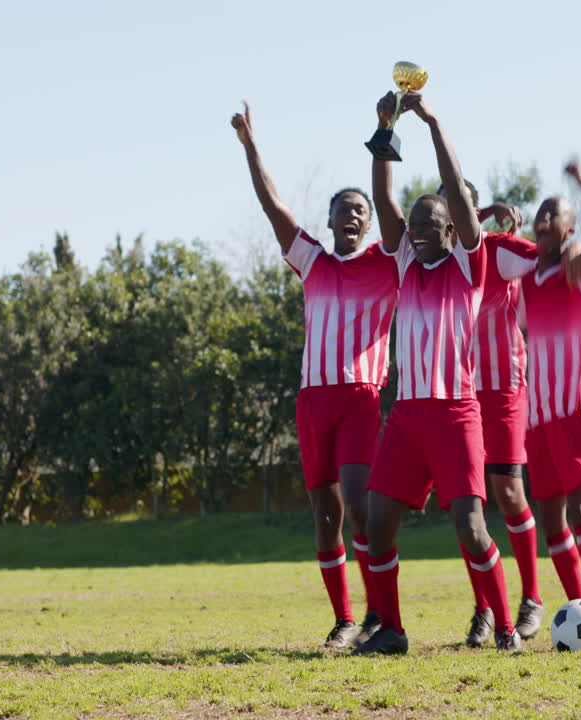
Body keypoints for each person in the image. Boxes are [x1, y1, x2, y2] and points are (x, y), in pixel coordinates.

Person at [353, 91, 520, 655]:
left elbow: (453, 188)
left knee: (472, 530)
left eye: (431, 224)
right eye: (414, 225)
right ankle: (393, 631)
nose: (417, 231)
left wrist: (433, 124)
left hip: (455, 415)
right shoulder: (404, 263)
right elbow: (383, 195)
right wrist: (385, 129)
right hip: (406, 416)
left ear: (453, 231)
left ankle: (502, 627)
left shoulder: (469, 267)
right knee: (378, 526)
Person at [231, 102, 396, 648]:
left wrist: (385, 133)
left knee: (362, 511)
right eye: (342, 210)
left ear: (369, 225)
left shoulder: (387, 265)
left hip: (358, 401)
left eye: (359, 212)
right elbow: (271, 204)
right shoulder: (313, 262)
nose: (350, 217)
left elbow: (415, 215)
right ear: (328, 220)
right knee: (325, 516)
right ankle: (346, 620)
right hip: (312, 403)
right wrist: (251, 147)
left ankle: (379, 614)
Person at [494, 162, 581, 607]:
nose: (544, 221)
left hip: (574, 411)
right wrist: (492, 213)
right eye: (540, 215)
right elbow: (480, 249)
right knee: (551, 521)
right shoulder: (527, 280)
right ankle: (578, 609)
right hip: (538, 417)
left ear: (570, 227)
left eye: (554, 214)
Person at [434, 181, 545, 645]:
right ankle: (483, 607)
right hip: (457, 395)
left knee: (509, 490)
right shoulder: (434, 261)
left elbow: (549, 259)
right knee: (468, 503)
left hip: (502, 388)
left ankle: (532, 598)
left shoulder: (499, 251)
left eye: (460, 203)